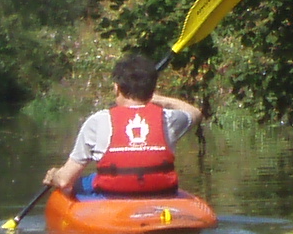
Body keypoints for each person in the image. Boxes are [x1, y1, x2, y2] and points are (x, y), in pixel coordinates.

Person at [45, 52, 201, 198]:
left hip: (112, 193)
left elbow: (66, 180)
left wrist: (55, 176)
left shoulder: (97, 122)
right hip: (160, 191)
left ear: (117, 87)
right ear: (152, 90)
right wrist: (160, 100)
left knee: (72, 185)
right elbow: (194, 112)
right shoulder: (169, 119)